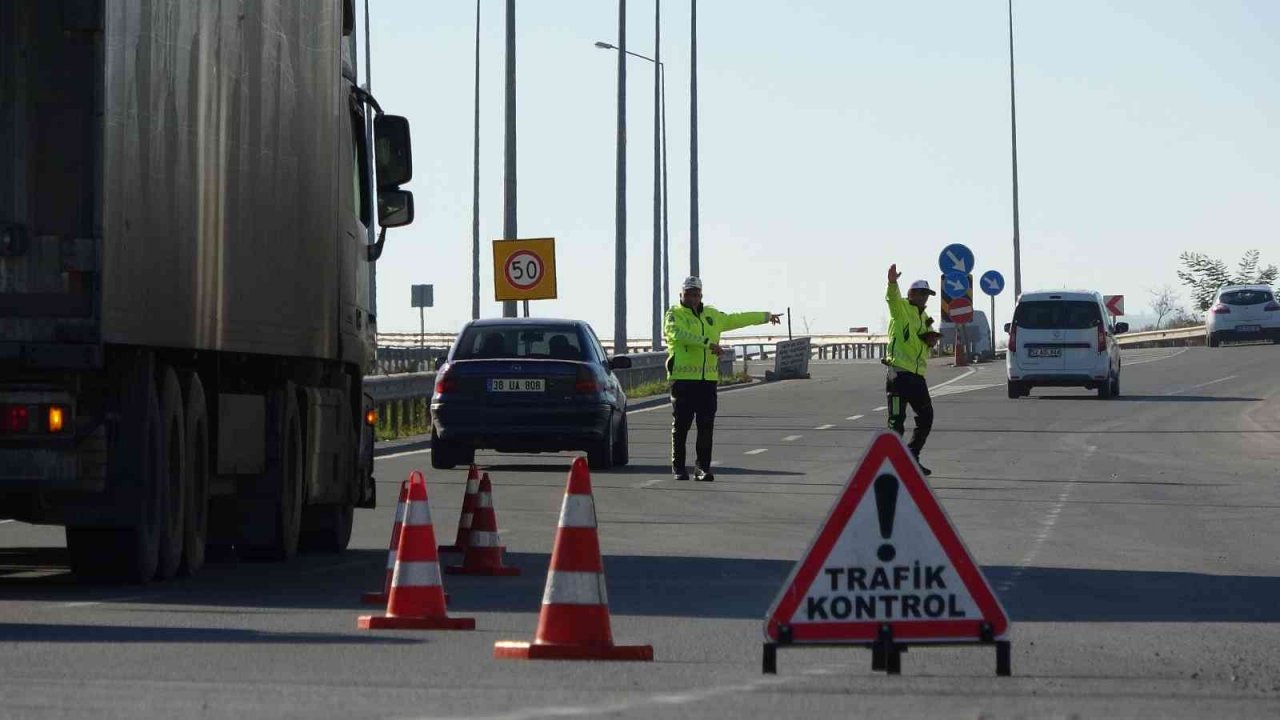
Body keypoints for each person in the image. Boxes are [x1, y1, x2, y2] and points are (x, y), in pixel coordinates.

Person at [664, 276, 782, 481]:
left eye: (696, 294)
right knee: (682, 424)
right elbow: (678, 334)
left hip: (708, 379)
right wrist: (707, 343)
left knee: (706, 424)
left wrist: (765, 316)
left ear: (701, 295)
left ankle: (702, 468)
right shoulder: (674, 314)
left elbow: (737, 319)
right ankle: (679, 467)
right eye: (688, 294)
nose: (692, 298)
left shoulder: (712, 315)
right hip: (682, 378)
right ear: (681, 295)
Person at [884, 264, 942, 475]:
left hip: (917, 376)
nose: (925, 298)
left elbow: (925, 340)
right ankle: (890, 463)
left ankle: (911, 455)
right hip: (898, 374)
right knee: (896, 422)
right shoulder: (900, 309)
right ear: (911, 294)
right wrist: (892, 282)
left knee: (926, 417)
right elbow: (891, 299)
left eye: (927, 295)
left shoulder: (925, 318)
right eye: (921, 294)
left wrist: (931, 340)